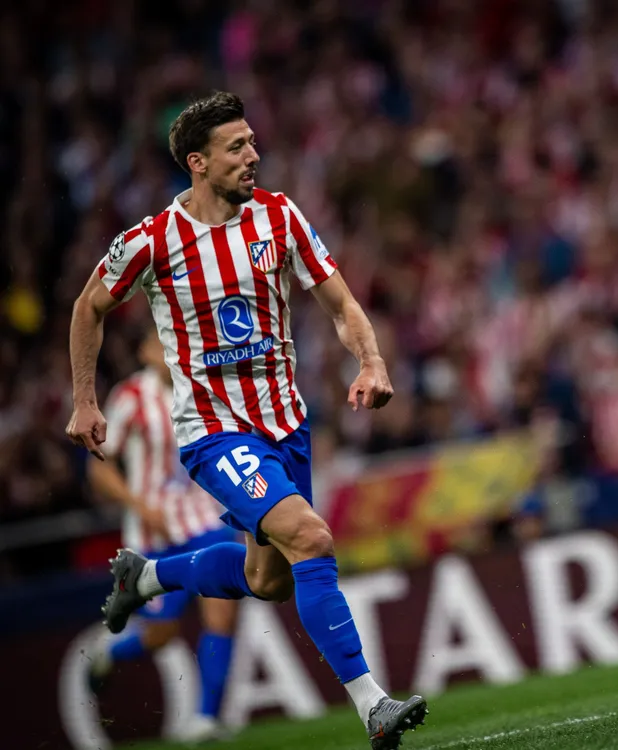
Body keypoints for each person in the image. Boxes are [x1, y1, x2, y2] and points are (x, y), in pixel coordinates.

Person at [66, 91, 426, 749]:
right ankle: (373, 705)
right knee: (313, 539)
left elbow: (341, 304)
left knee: (269, 579)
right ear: (197, 163)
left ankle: (147, 576)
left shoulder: (281, 218)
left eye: (253, 142)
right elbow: (89, 307)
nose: (253, 156)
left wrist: (371, 361)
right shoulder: (151, 242)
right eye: (238, 147)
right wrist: (86, 400)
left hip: (286, 426)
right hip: (213, 431)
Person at [85, 328, 240, 743]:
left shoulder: (201, 387)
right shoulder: (130, 397)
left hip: (200, 519)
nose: (167, 348)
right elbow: (99, 467)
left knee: (222, 611)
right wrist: (139, 506)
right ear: (144, 349)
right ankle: (108, 652)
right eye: (157, 341)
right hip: (152, 528)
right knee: (162, 633)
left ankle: (206, 718)